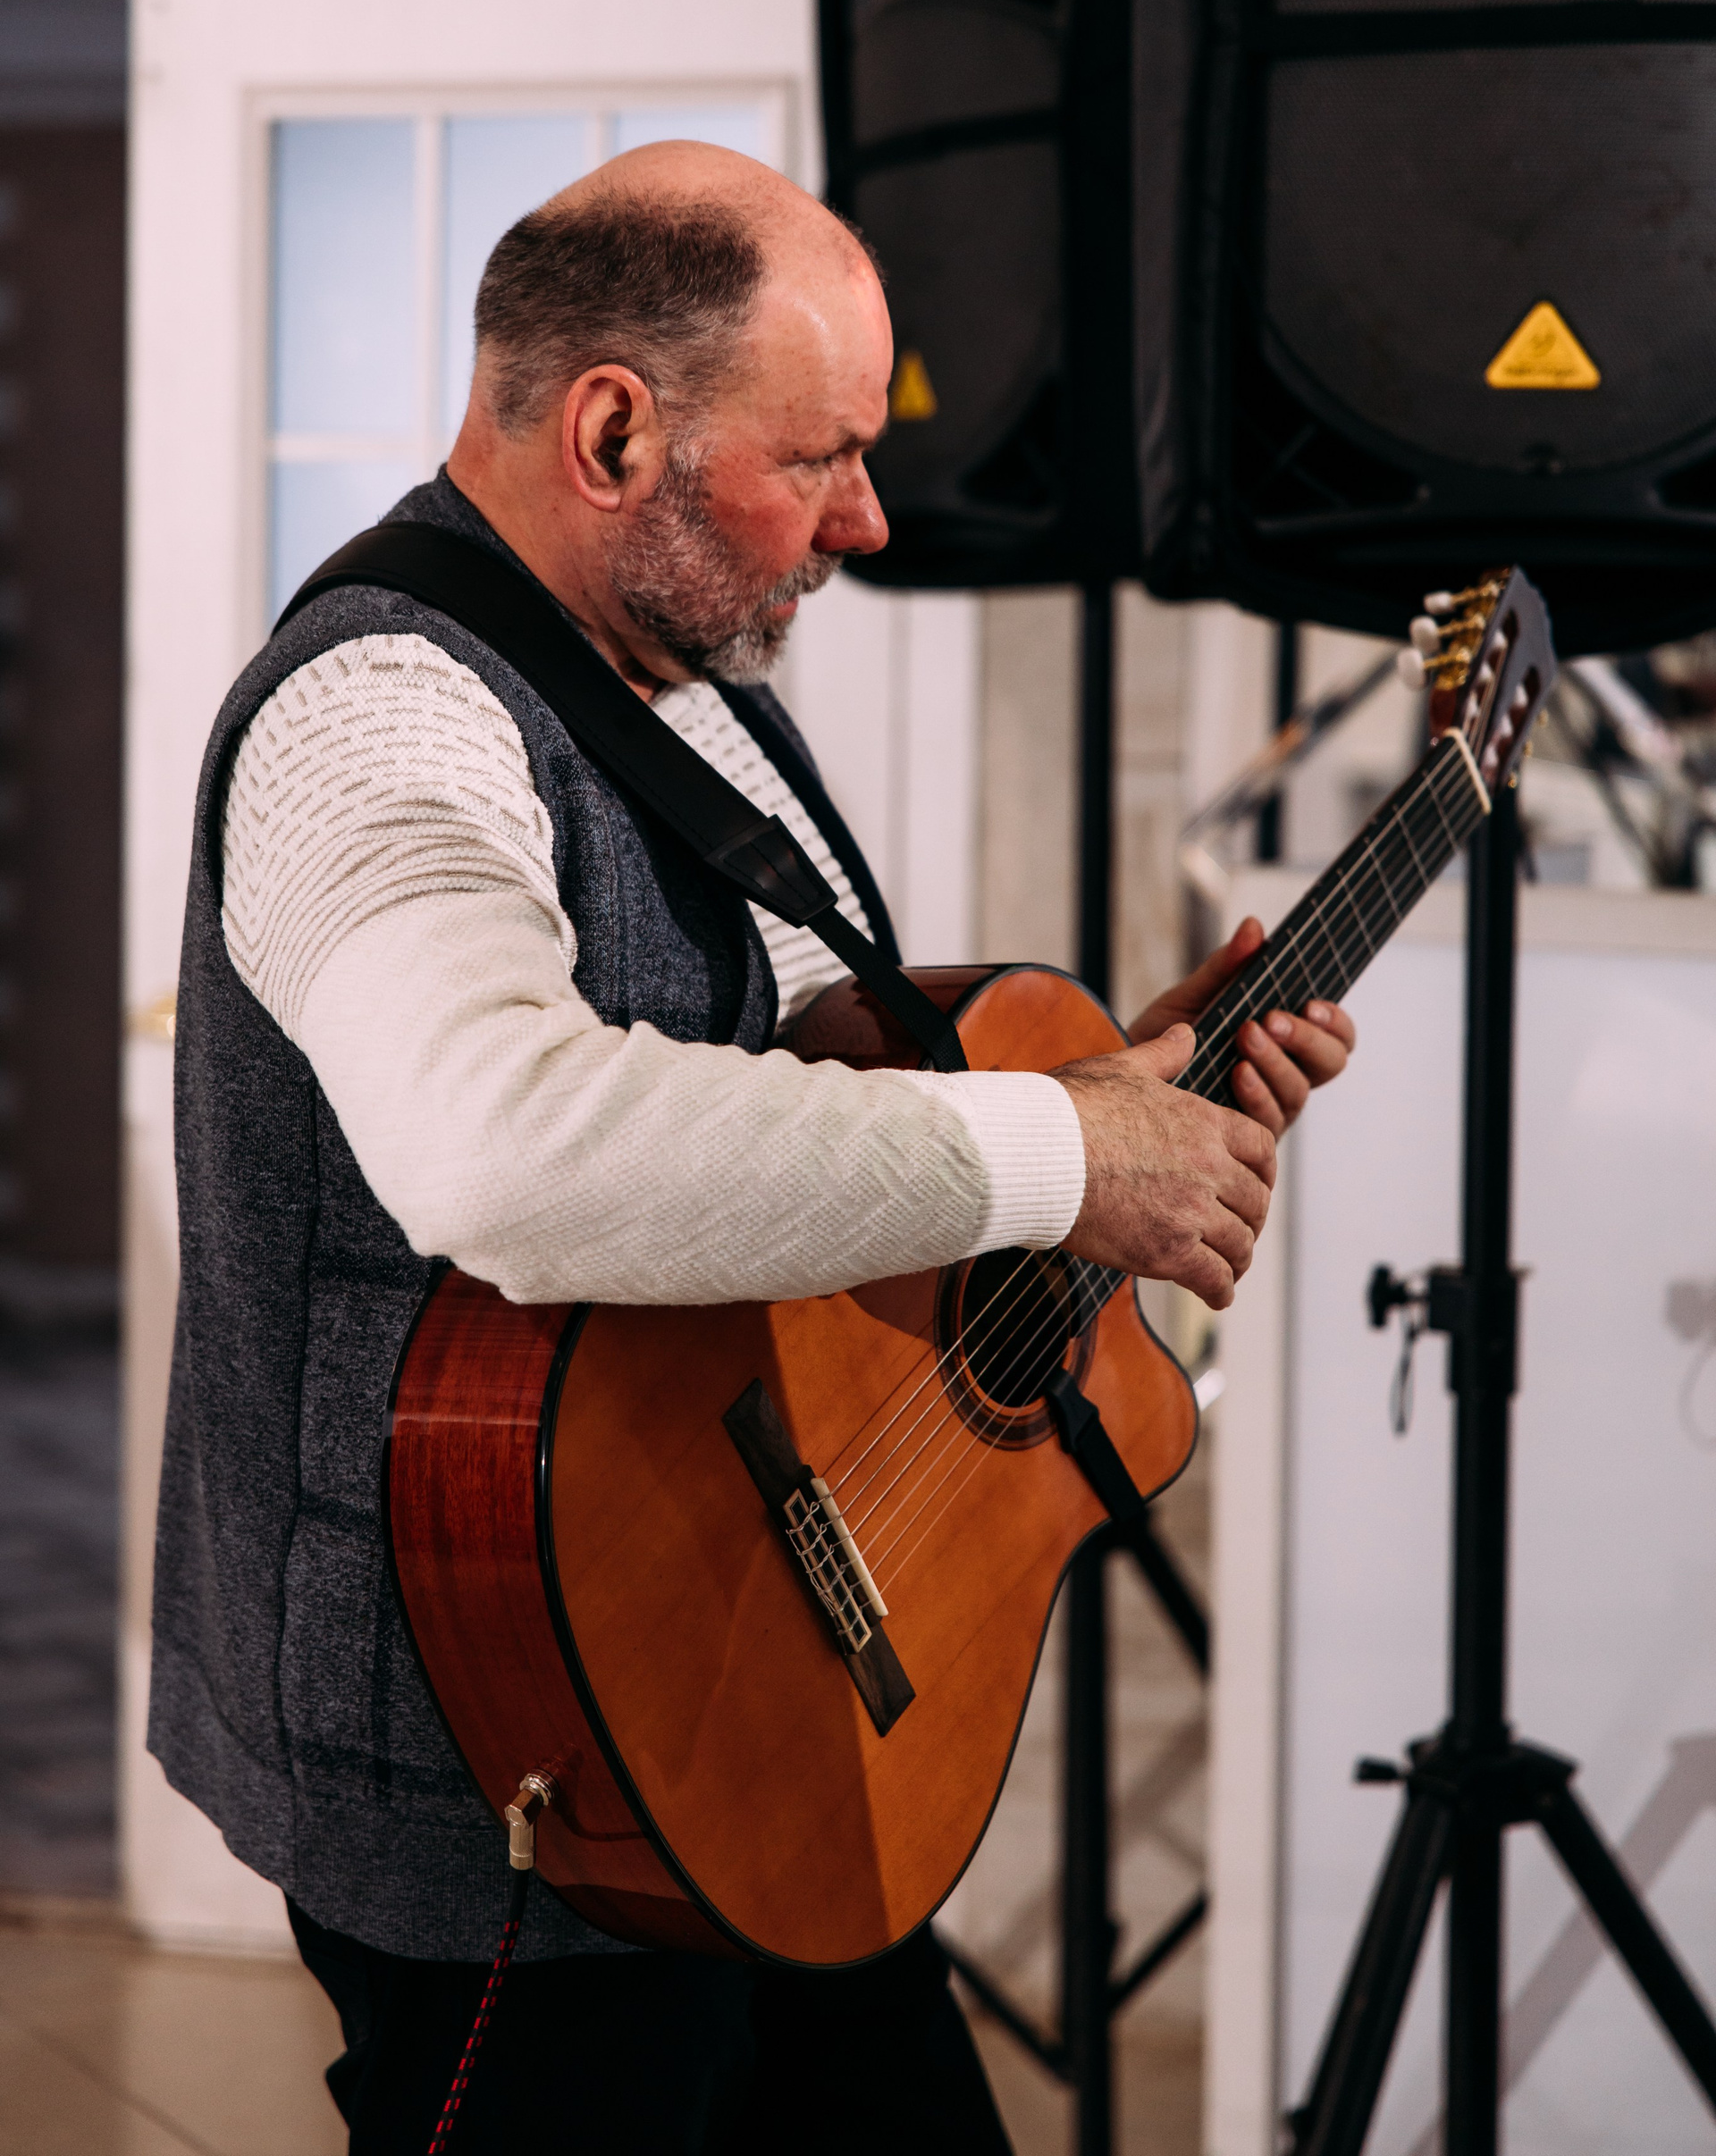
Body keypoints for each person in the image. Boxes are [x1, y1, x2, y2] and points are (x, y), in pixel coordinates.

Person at [149, 141, 1354, 2153]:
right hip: (503, 1768)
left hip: (757, 1690)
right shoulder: (373, 721)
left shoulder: (688, 684)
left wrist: (1121, 1095)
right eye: (823, 458)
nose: (868, 518)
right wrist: (1062, 1152)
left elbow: (800, 1090)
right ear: (615, 431)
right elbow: (500, 1151)